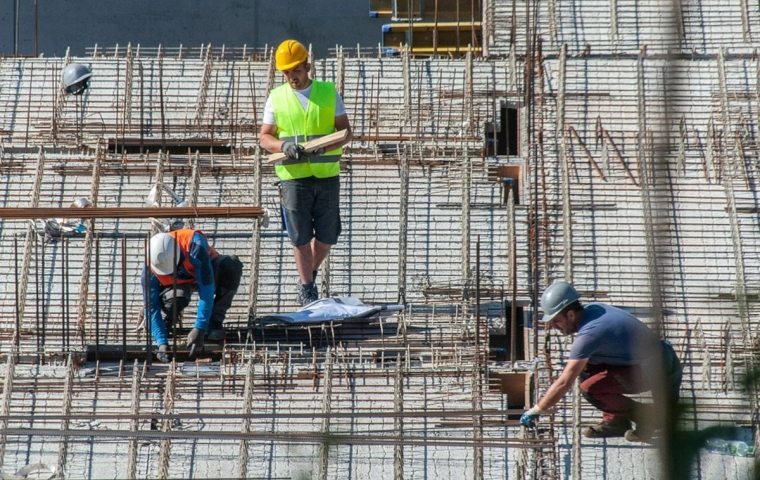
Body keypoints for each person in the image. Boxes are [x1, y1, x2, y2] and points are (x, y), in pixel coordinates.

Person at [520, 281, 682, 442]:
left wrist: (537, 410)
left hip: (658, 370)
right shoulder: (594, 309)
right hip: (659, 358)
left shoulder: (589, 335)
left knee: (589, 388)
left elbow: (564, 383)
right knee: (586, 368)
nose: (554, 326)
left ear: (570, 315)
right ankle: (616, 421)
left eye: (556, 320)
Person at [259, 39, 353, 306]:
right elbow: (264, 138)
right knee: (300, 236)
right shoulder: (276, 98)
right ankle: (307, 286)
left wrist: (326, 146)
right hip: (293, 177)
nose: (291, 77)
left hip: (326, 174)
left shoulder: (328, 93)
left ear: (307, 67)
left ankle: (308, 271)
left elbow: (346, 132)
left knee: (326, 237)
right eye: (286, 73)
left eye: (296, 71)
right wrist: (283, 145)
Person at [141, 229, 243, 362]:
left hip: (206, 270)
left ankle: (215, 323)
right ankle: (167, 321)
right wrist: (161, 343)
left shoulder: (195, 245)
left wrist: (200, 326)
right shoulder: (151, 265)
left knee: (231, 265)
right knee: (174, 301)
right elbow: (151, 307)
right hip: (178, 284)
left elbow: (206, 290)